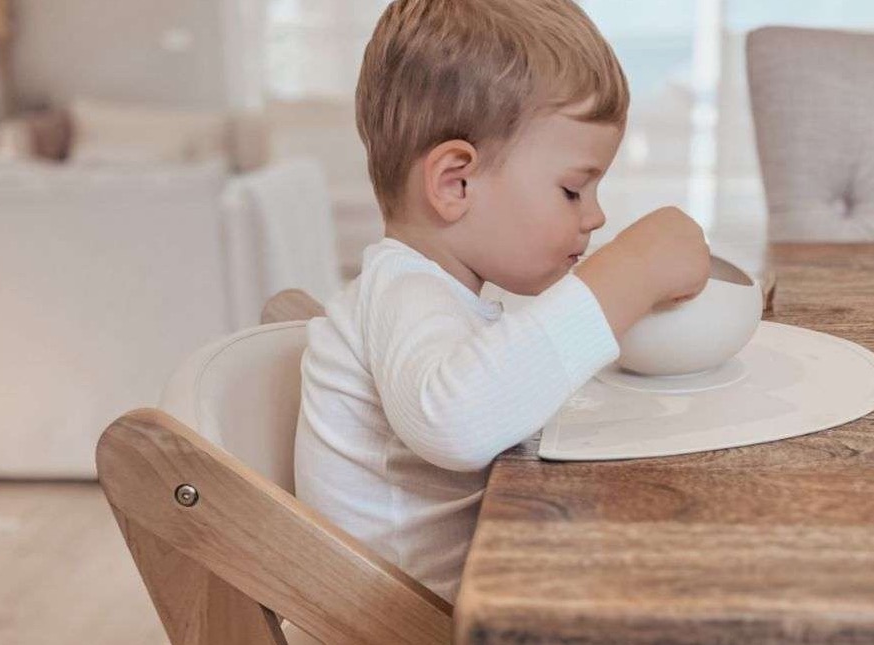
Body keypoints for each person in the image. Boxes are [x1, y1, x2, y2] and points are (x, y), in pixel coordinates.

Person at [295, 0, 711, 604]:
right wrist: (632, 270)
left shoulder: (437, 294)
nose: (594, 215)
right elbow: (455, 423)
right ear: (455, 183)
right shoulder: (403, 291)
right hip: (423, 623)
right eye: (573, 189)